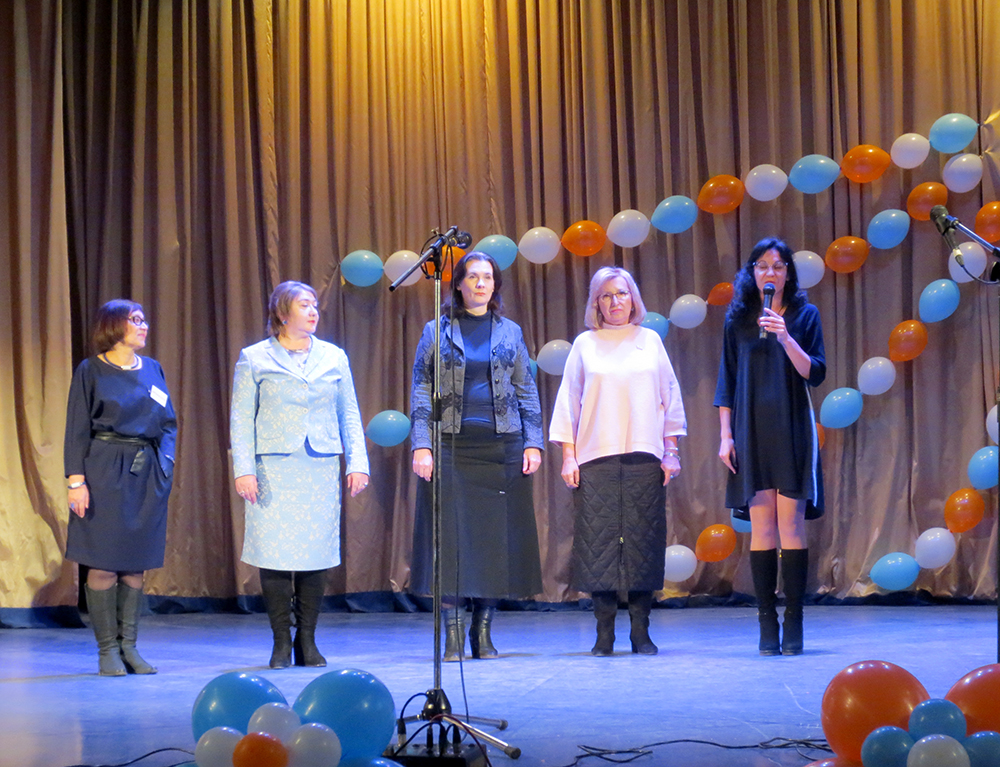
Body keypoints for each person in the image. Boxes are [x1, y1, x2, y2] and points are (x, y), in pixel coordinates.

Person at [410, 252, 544, 661]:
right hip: (452, 446)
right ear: (459, 283)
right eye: (473, 276)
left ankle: (482, 633)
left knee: (493, 542)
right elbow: (421, 387)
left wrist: (533, 441)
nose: (481, 283)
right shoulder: (437, 330)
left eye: (487, 277)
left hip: (501, 446)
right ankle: (452, 636)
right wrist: (422, 443)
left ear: (495, 285)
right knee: (451, 542)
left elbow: (525, 388)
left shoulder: (510, 331)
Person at [230, 280, 369, 669]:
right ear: (282, 313)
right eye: (304, 305)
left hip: (319, 465)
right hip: (272, 468)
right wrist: (244, 469)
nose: (312, 312)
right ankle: (280, 641)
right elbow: (241, 419)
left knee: (315, 553)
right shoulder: (254, 358)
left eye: (314, 305)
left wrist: (358, 462)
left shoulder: (334, 356)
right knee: (273, 553)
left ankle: (307, 640)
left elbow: (349, 412)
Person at [550, 267, 687, 656]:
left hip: (645, 457)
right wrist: (569, 457)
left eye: (622, 293)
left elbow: (670, 397)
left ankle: (641, 632)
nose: (615, 302)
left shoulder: (650, 341)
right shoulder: (585, 344)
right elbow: (568, 403)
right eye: (606, 295)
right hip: (596, 459)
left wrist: (671, 451)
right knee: (599, 547)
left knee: (643, 544)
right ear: (596, 303)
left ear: (633, 299)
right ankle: (604, 633)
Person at [714, 237, 825, 656]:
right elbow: (726, 380)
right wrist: (726, 435)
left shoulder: (805, 315)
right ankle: (766, 622)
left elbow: (815, 372)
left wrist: (786, 337)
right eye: (762, 266)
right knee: (761, 527)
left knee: (790, 525)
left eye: (778, 266)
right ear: (752, 273)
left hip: (792, 426)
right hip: (750, 429)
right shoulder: (739, 319)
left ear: (788, 273)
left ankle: (794, 620)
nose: (770, 273)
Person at [65, 300, 177, 676]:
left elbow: (168, 423)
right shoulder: (91, 370)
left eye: (143, 319)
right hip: (103, 470)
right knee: (104, 563)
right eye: (135, 320)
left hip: (145, 472)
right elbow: (77, 428)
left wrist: (165, 465)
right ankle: (107, 651)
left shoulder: (153, 369)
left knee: (134, 564)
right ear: (114, 326)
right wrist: (76, 481)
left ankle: (129, 647)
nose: (143, 326)